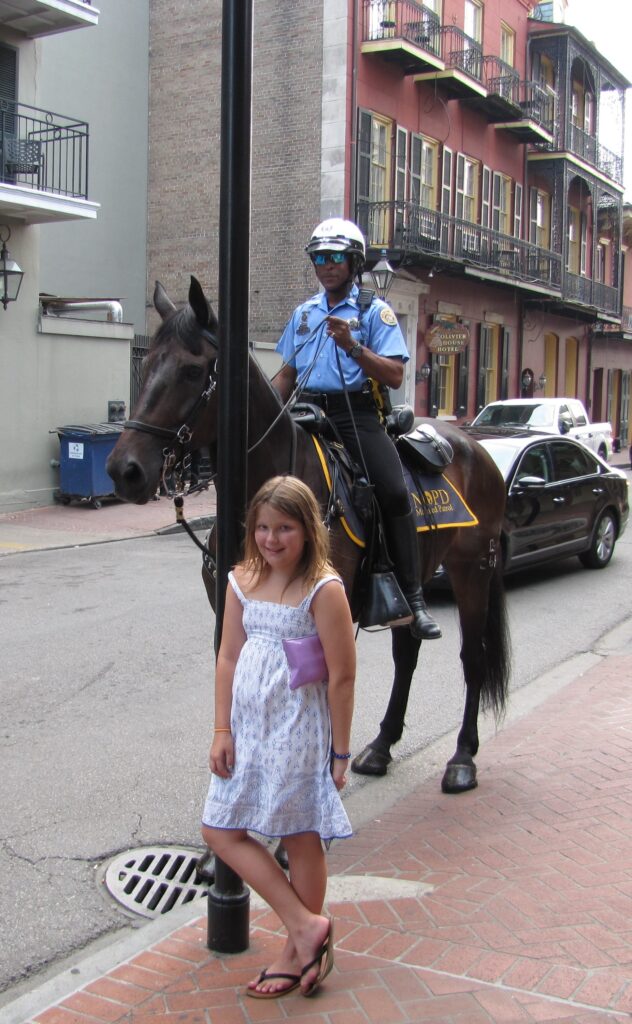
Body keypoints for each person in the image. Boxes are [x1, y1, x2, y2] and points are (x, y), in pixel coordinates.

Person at [201, 475, 356, 1000]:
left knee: (299, 834)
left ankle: (297, 950)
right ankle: (304, 923)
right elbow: (226, 656)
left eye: (285, 528)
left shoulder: (325, 588)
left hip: (297, 731)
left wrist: (340, 751)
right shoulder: (242, 578)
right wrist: (222, 729)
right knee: (219, 828)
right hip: (248, 730)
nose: (272, 539)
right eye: (263, 527)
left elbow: (342, 676)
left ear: (308, 530)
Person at [273, 217, 441, 640]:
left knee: (392, 490)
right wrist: (261, 410)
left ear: (353, 262)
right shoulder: (304, 314)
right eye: (319, 258)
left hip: (356, 416)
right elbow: (287, 375)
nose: (327, 266)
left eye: (335, 258)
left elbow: (395, 375)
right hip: (307, 411)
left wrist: (353, 345)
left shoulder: (372, 312)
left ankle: (413, 598)